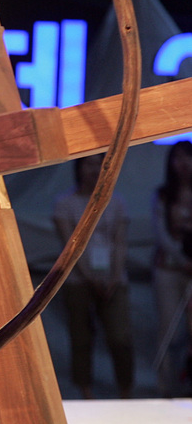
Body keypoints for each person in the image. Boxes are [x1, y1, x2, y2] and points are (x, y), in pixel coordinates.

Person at [52, 152, 134, 398]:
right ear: (78, 168)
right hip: (78, 279)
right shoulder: (65, 204)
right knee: (81, 339)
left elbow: (120, 243)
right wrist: (90, 277)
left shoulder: (117, 202)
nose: (93, 169)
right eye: (88, 164)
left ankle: (126, 393)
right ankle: (86, 394)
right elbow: (69, 246)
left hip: (113, 280)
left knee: (120, 338)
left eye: (99, 164)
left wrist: (114, 277)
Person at [152, 140, 192, 396]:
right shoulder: (163, 195)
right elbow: (162, 235)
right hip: (169, 269)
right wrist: (181, 259)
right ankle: (165, 387)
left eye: (188, 157)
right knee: (168, 327)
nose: (184, 164)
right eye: (178, 158)